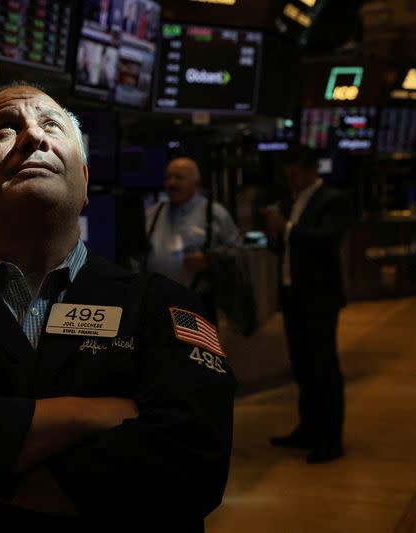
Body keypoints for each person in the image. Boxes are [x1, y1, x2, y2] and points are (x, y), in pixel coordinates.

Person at [0, 84, 235, 532]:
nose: (33, 136)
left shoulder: (162, 302)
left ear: (85, 181)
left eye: (52, 124)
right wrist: (92, 413)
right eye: (5, 129)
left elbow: (194, 467)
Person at [263, 145, 352, 464]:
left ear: (312, 169)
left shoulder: (333, 199)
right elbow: (284, 248)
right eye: (288, 170)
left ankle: (331, 438)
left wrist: (285, 227)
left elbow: (326, 239)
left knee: (323, 367)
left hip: (320, 297)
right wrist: (274, 234)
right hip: (293, 295)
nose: (291, 175)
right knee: (302, 367)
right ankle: (309, 428)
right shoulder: (290, 201)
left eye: (296, 170)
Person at [144, 157, 241, 323]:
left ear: (196, 182)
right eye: (168, 177)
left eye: (179, 178)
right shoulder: (154, 212)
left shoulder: (214, 213)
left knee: (195, 348)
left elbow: (238, 252)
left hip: (197, 302)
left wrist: (209, 259)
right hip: (157, 302)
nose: (172, 183)